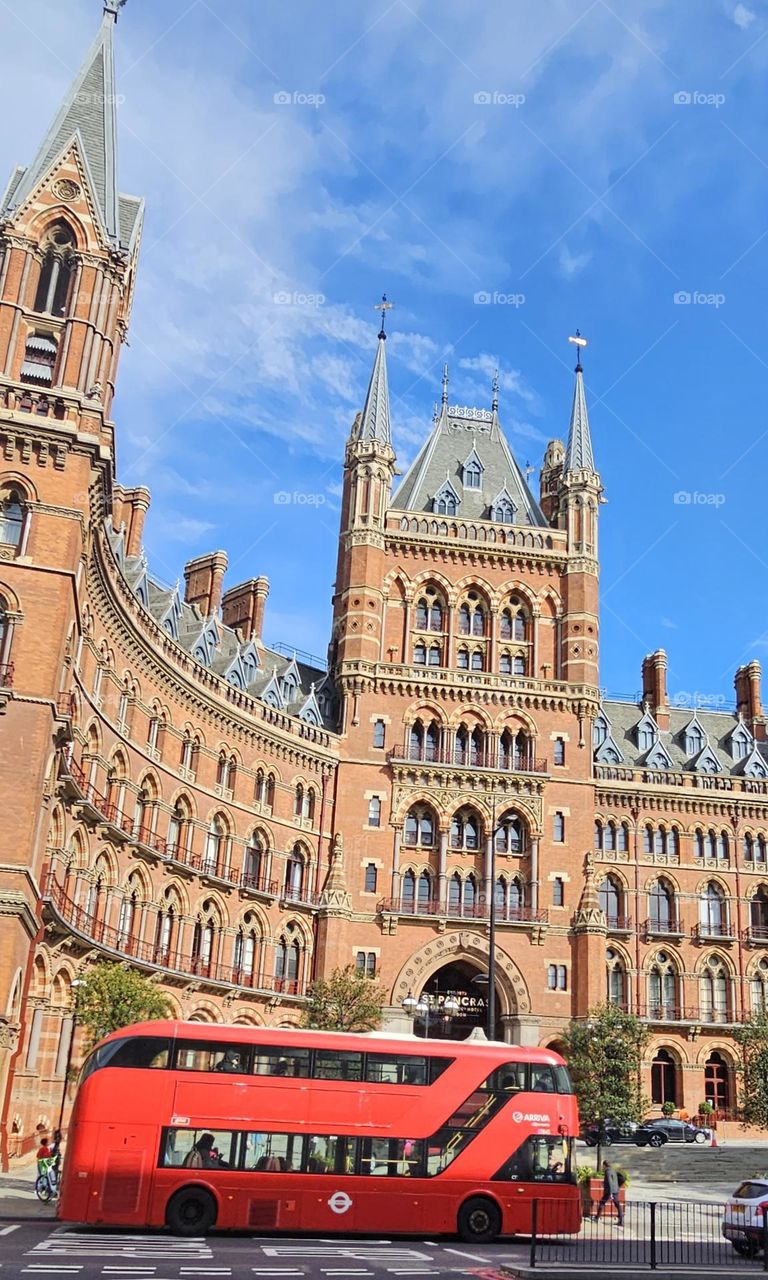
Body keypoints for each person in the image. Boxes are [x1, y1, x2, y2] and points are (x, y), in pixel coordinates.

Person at [594, 1160, 624, 1226]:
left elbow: (610, 1182)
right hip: (615, 1190)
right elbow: (614, 1180)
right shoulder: (613, 1170)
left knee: (602, 1203)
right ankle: (621, 1220)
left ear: (605, 1165)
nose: (603, 1167)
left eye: (603, 1166)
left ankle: (596, 1218)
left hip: (610, 1191)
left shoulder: (607, 1172)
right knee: (617, 1204)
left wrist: (610, 1193)